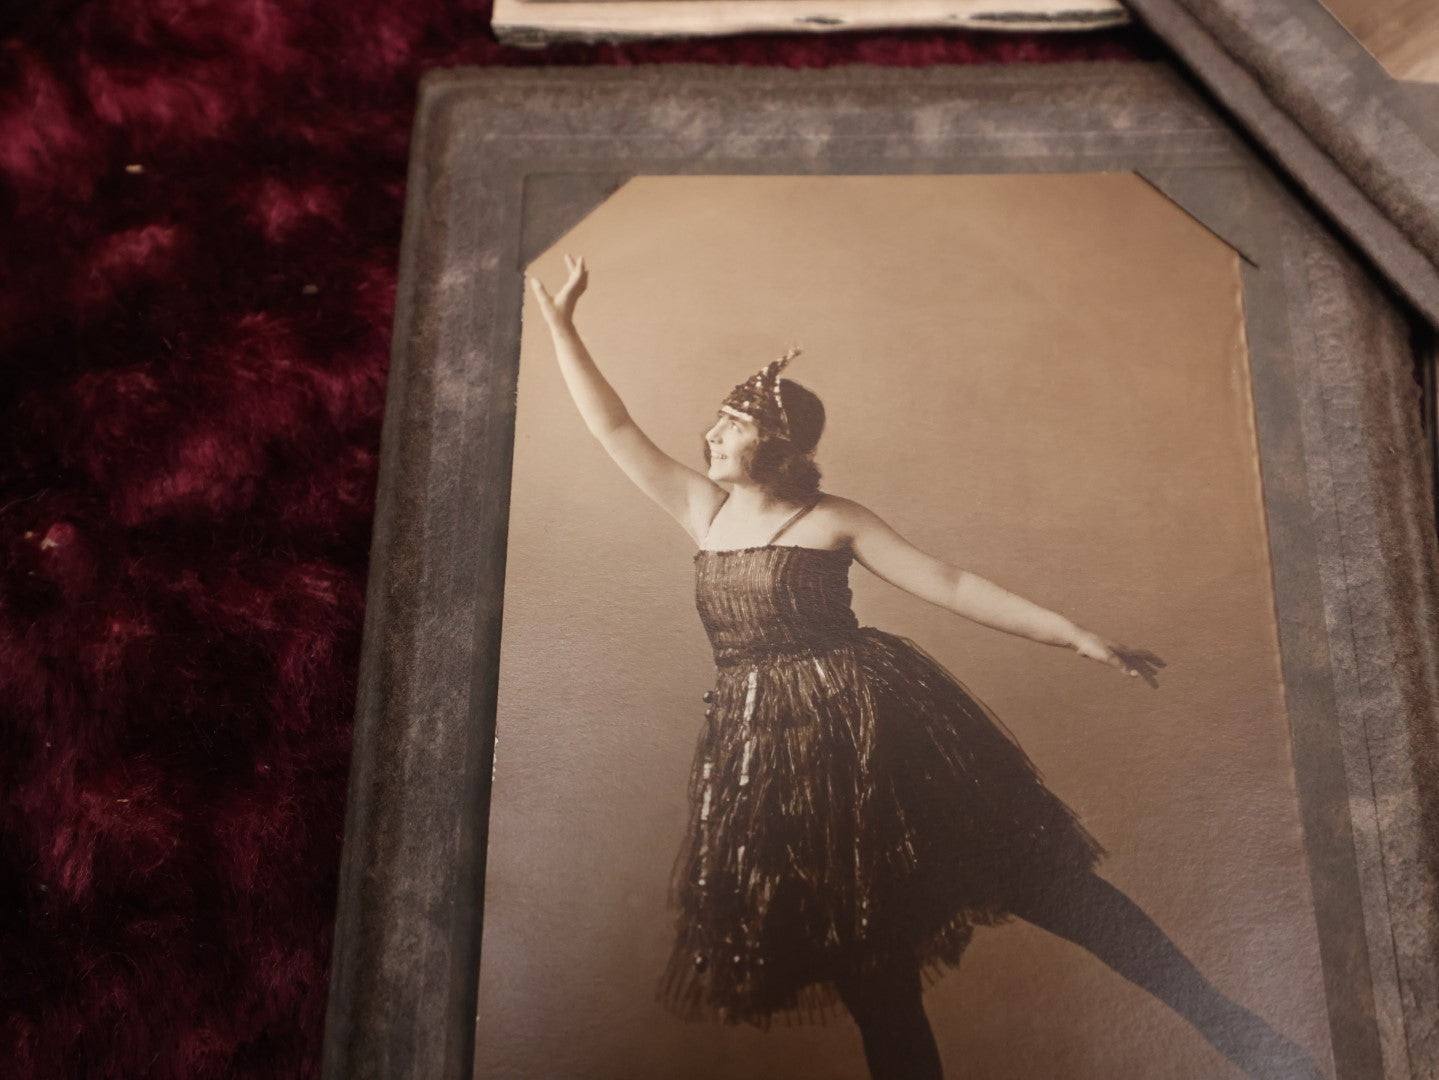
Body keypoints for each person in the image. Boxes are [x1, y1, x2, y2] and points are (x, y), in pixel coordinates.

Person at [528, 255, 1322, 1080]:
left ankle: (1241, 1036)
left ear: (776, 440)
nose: (710, 434)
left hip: (877, 729)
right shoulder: (705, 510)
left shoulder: (833, 518)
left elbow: (948, 582)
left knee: (1050, 890)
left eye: (730, 422)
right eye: (715, 423)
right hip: (769, 758)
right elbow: (612, 427)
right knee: (869, 966)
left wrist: (1076, 635)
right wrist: (562, 325)